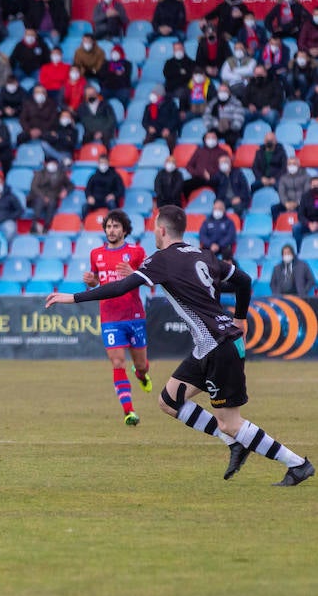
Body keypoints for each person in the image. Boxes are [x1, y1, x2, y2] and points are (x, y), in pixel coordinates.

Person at [47, 205, 313, 486]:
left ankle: (297, 464)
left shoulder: (161, 260)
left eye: (154, 229)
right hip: (209, 345)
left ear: (161, 230)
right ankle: (234, 444)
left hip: (219, 346)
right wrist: (240, 318)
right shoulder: (203, 254)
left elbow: (120, 287)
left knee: (231, 422)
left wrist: (73, 297)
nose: (153, 234)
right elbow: (244, 281)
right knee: (169, 401)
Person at [81, 210, 153, 425]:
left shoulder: (137, 252)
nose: (111, 230)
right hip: (110, 317)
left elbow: (152, 280)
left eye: (116, 226)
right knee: (117, 362)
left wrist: (134, 273)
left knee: (141, 365)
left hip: (134, 314)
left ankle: (141, 374)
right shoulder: (96, 254)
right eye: (109, 227)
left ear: (124, 230)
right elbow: (97, 283)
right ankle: (129, 411)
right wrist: (91, 281)